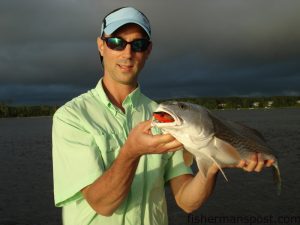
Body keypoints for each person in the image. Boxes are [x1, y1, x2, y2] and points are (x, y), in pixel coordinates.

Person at [52, 6, 275, 225]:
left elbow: (187, 201)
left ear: (148, 51)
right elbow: (102, 204)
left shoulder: (165, 116)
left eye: (138, 44)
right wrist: (131, 152)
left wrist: (214, 162)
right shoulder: (71, 117)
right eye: (116, 42)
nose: (127, 53)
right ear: (101, 46)